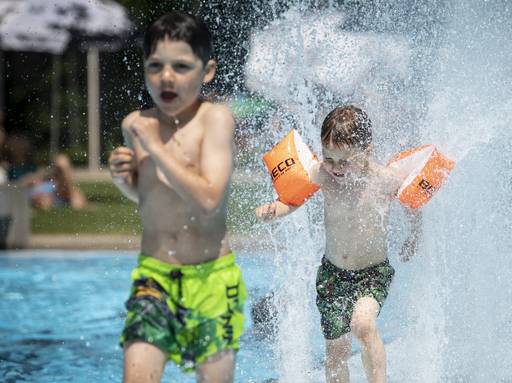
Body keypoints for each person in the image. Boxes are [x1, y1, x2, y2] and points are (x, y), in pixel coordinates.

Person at [108, 12, 246, 383]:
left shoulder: (215, 120)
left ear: (208, 71)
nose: (166, 77)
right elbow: (150, 199)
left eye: (182, 66)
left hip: (213, 282)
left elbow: (208, 198)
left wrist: (154, 146)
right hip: (154, 278)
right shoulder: (135, 124)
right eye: (156, 66)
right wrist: (124, 180)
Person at [256, 105, 421, 383]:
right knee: (336, 349)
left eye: (344, 161)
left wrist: (414, 237)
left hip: (372, 273)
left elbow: (412, 204)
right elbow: (295, 199)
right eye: (329, 158)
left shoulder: (383, 180)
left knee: (363, 325)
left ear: (366, 151)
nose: (336, 168)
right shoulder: (323, 175)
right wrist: (276, 209)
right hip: (332, 275)